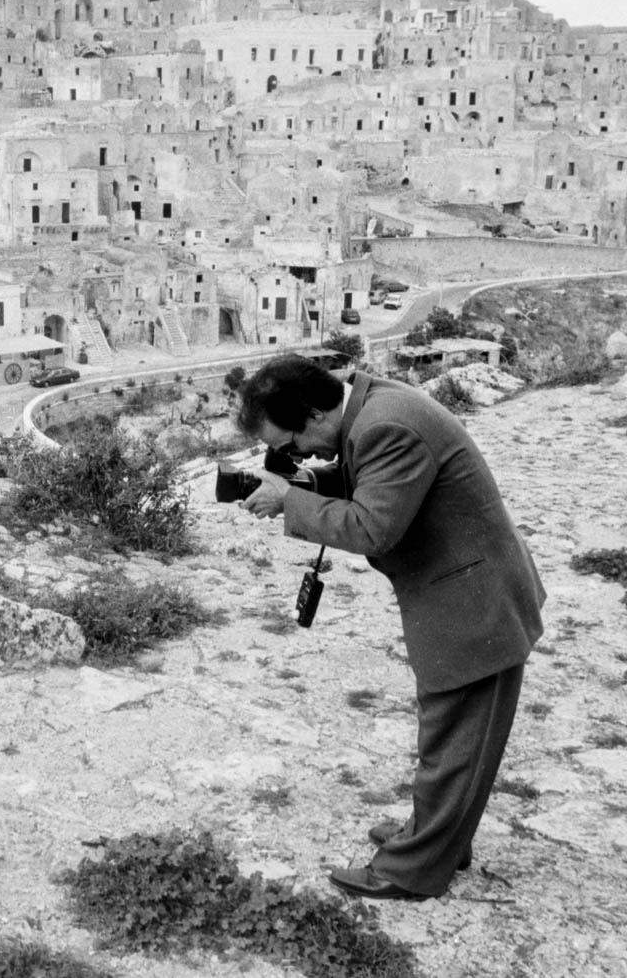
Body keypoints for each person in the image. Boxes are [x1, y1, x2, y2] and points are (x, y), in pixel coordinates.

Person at [237, 354, 545, 901]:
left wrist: (291, 501)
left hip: (475, 599)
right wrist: (307, 480)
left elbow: (372, 526)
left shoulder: (385, 427)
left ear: (311, 415)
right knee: (451, 732)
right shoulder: (371, 405)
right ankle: (439, 837)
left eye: (288, 444)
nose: (289, 456)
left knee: (457, 738)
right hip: (464, 589)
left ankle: (412, 869)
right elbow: (371, 481)